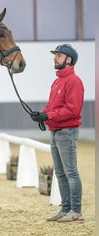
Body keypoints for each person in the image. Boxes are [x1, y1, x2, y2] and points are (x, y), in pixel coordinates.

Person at [30, 44, 84, 222]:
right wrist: (42, 116)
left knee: (71, 172)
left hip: (66, 132)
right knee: (60, 173)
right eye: (56, 55)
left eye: (59, 55)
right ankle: (66, 209)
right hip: (55, 131)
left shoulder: (74, 81)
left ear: (68, 59)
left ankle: (76, 211)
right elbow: (53, 106)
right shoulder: (57, 81)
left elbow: (72, 109)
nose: (55, 58)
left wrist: (49, 115)